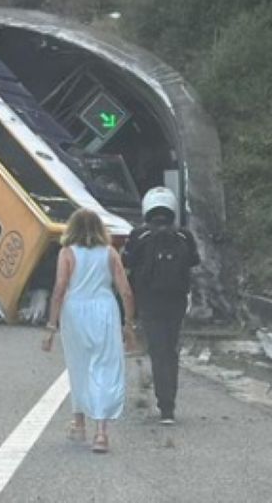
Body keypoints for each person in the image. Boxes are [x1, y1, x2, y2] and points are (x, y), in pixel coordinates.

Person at [42, 209, 137, 453]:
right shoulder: (109, 253)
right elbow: (125, 290)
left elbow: (60, 288)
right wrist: (129, 324)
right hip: (105, 310)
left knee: (79, 366)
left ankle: (79, 423)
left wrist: (51, 326)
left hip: (75, 311)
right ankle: (102, 433)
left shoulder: (67, 253)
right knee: (105, 367)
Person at [124, 186, 200, 425]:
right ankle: (170, 405)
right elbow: (194, 261)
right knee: (171, 349)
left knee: (157, 351)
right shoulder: (184, 236)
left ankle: (163, 404)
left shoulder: (139, 235)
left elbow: (127, 261)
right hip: (176, 301)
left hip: (149, 300)